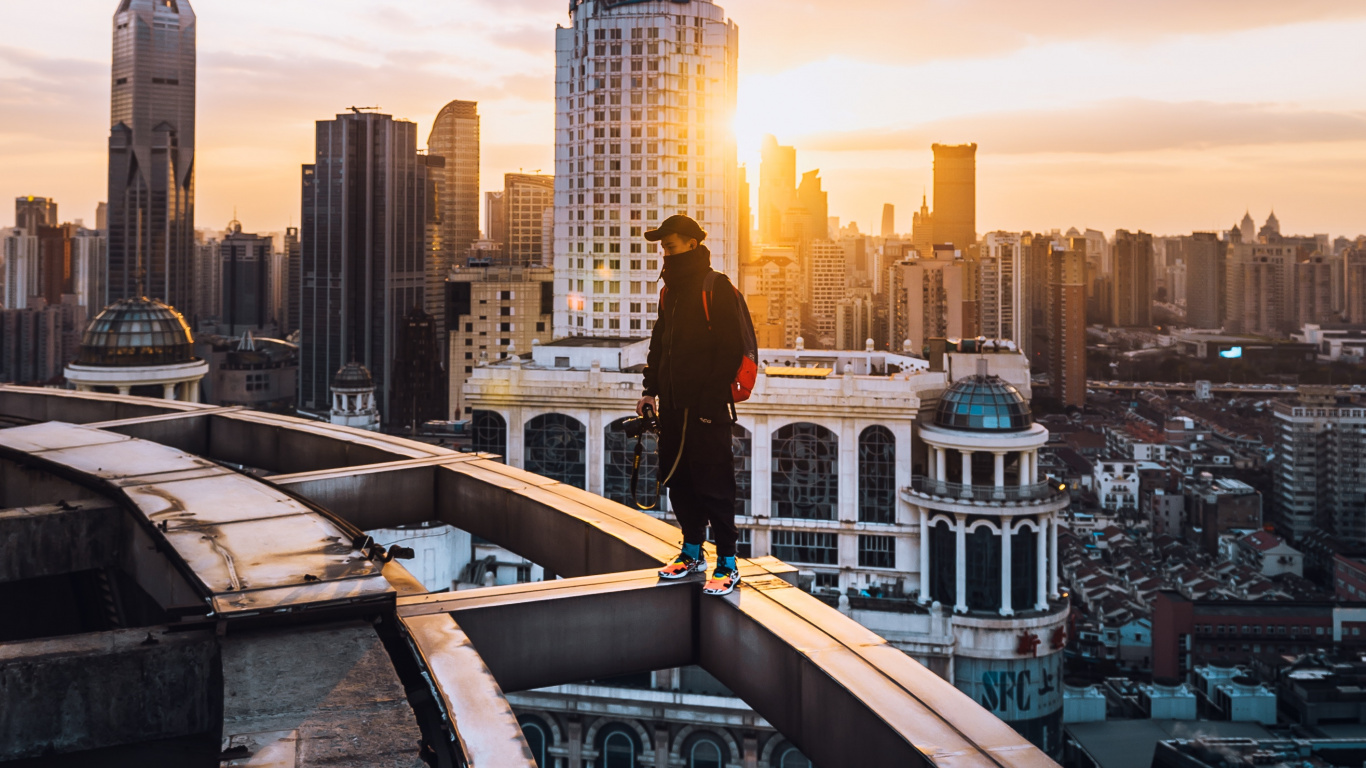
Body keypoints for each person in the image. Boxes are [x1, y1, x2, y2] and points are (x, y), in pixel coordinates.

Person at [638, 215, 745, 596]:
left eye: (671, 245)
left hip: (707, 409)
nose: (665, 251)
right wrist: (650, 390)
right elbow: (659, 344)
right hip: (673, 407)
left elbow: (731, 349)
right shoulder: (671, 292)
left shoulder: (714, 287)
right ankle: (691, 551)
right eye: (663, 245)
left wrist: (707, 400)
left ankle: (728, 562)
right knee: (678, 481)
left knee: (714, 484)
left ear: (693, 244)